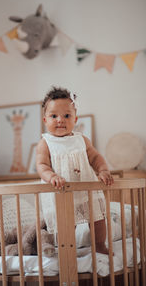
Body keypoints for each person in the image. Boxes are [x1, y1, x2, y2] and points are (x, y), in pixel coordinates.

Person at [36, 86, 114, 254]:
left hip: (87, 189)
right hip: (62, 190)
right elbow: (42, 166)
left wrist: (103, 170)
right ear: (45, 120)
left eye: (67, 115)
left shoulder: (81, 140)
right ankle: (66, 250)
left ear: (75, 119)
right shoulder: (46, 143)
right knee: (66, 224)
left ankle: (99, 245)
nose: (60, 120)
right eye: (54, 116)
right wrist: (51, 176)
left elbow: (95, 157)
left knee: (98, 219)